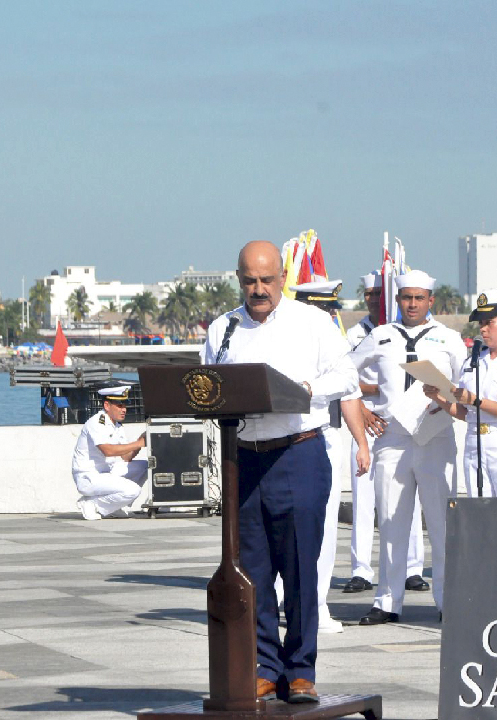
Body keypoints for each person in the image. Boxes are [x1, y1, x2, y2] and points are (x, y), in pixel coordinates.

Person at [202, 241, 357, 703]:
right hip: (244, 457)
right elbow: (208, 386)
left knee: (299, 567)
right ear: (238, 278)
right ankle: (265, 667)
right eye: (249, 281)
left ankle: (301, 670)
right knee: (253, 569)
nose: (258, 289)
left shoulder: (312, 323)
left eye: (267, 280)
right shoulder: (222, 329)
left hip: (298, 454)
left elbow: (347, 377)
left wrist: (307, 388)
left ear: (283, 277)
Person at [349, 270, 465, 626]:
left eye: (418, 298)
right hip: (392, 438)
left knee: (442, 524)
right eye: (405, 298)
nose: (412, 304)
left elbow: (462, 384)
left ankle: (448, 601)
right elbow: (344, 373)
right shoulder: (381, 336)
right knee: (391, 522)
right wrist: (364, 410)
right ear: (397, 300)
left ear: (431, 300)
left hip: (436, 437)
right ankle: (387, 600)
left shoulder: (450, 339)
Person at [288, 278, 371, 635]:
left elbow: (349, 393)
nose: (330, 315)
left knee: (322, 527)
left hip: (323, 437)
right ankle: (284, 602)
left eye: (332, 309)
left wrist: (361, 443)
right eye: (325, 308)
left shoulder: (332, 342)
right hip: (280, 439)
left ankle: (316, 607)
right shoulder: (285, 341)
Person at [343, 270, 427, 596]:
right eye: (370, 295)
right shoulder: (356, 333)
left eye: (380, 294)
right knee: (363, 497)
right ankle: (361, 569)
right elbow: (345, 372)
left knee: (410, 493)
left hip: (401, 419)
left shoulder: (403, 332)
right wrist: (379, 386)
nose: (375, 299)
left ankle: (413, 567)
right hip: (363, 416)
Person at [427, 288, 497, 498]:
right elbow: (467, 412)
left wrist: (477, 401)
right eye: (481, 323)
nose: (484, 329)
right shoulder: (473, 362)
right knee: (481, 519)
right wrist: (439, 398)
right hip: (475, 446)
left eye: (490, 322)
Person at [72, 386, 148, 520]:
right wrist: (138, 444)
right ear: (107, 405)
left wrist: (142, 439)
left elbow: (126, 457)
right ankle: (91, 503)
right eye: (119, 405)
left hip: (106, 472)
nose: (124, 409)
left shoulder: (117, 426)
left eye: (125, 405)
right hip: (89, 476)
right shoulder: (97, 422)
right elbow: (107, 450)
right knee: (133, 490)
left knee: (145, 467)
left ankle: (114, 506)